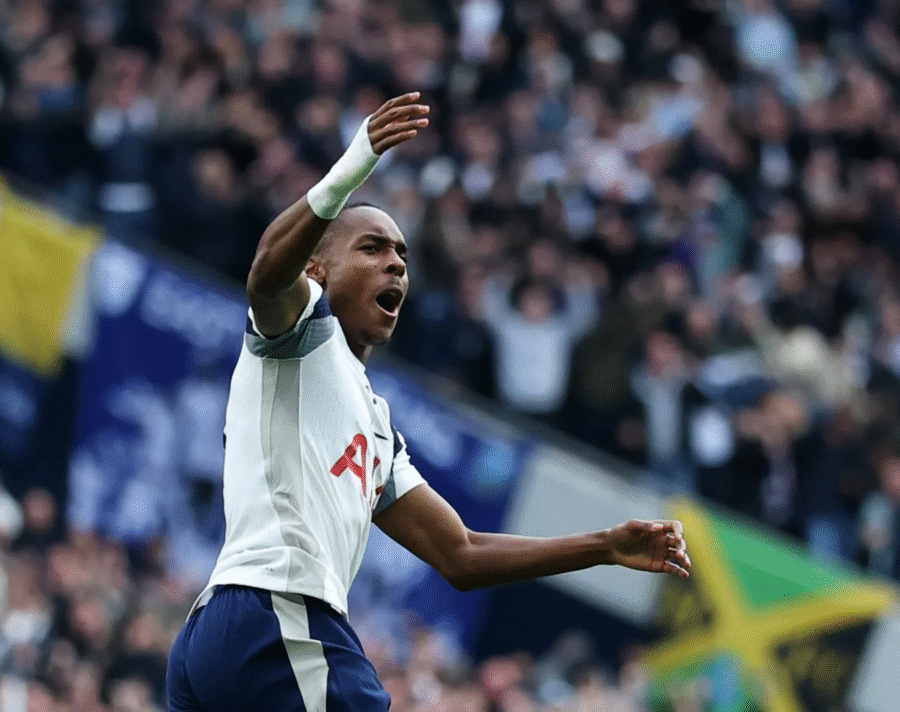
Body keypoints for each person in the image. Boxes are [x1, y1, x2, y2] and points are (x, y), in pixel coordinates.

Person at [165, 91, 692, 712]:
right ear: (318, 271)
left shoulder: (377, 427)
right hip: (275, 615)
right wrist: (356, 162)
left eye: (402, 257)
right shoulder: (301, 333)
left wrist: (603, 546)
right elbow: (264, 275)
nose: (395, 265)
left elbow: (462, 554)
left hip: (222, 639)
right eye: (372, 249)